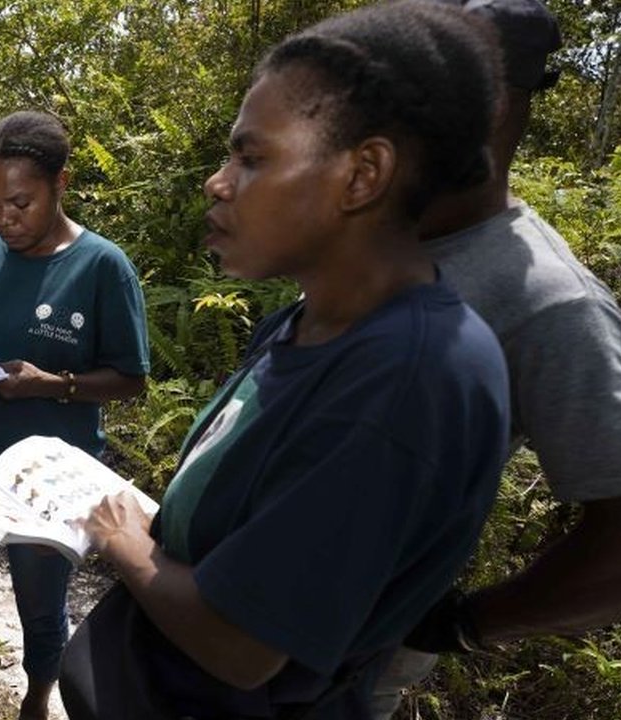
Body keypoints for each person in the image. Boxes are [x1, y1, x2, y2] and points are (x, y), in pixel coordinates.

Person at [67, 3, 512, 718]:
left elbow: (242, 647)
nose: (218, 182)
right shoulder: (305, 323)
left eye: (250, 157)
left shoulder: (402, 384)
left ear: (363, 174)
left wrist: (127, 544)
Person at [371, 1, 621, 714]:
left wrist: (467, 624)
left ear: (493, 106)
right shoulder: (387, 229)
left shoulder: (551, 303)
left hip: (341, 662)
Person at [0, 110, 151, 720]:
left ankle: (37, 701)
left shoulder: (103, 267)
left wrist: (58, 383)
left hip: (49, 481)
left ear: (61, 184)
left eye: (20, 202)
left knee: (41, 610)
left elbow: (132, 379)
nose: (4, 219)